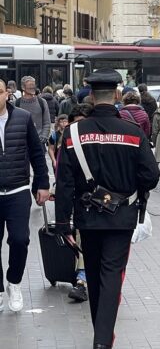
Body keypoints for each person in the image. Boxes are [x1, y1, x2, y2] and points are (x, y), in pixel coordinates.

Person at [55, 69, 160, 348]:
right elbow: (150, 176)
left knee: (92, 271)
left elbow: (64, 181)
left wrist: (63, 223)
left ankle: (100, 335)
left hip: (87, 216)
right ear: (116, 95)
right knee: (112, 274)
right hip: (122, 215)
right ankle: (102, 340)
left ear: (91, 95)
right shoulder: (133, 132)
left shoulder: (72, 133)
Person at [0, 78, 50, 312]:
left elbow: (37, 154)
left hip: (18, 189)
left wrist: (42, 183)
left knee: (20, 239)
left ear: (7, 93)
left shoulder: (22, 117)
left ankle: (14, 282)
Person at [64, 103, 94, 304]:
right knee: (82, 241)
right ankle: (82, 282)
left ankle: (88, 281)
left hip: (103, 204)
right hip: (81, 203)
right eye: (75, 124)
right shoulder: (69, 140)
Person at [15, 76, 51, 148]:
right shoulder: (16, 103)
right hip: (21, 143)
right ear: (23, 87)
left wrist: (43, 137)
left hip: (39, 142)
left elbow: (47, 122)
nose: (32, 88)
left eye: (33, 86)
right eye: (30, 86)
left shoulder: (42, 102)